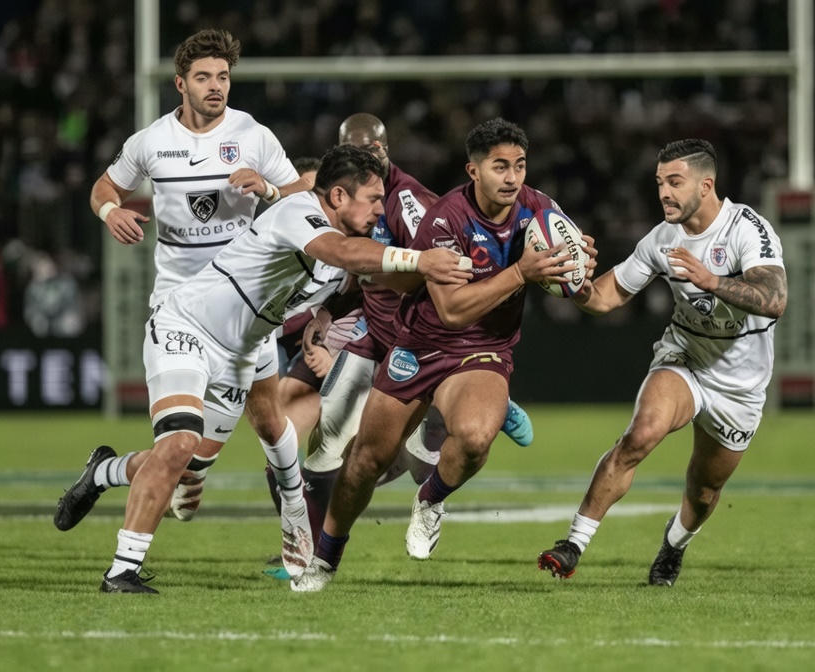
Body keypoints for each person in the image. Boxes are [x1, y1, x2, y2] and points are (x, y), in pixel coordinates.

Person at [92, 144, 471, 593]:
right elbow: (345, 253)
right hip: (189, 327)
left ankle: (291, 517)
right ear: (336, 197)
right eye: (371, 199)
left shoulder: (345, 252)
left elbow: (378, 277)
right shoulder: (300, 213)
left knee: (273, 428)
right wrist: (421, 259)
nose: (379, 208)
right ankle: (122, 570)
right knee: (180, 445)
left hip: (247, 346)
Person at [291, 118, 580, 592]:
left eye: (520, 166)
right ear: (474, 170)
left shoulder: (540, 209)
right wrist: (523, 274)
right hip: (420, 344)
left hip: (484, 350)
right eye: (500, 167)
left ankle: (430, 499)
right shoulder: (444, 217)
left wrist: (577, 266)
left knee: (474, 438)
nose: (512, 178)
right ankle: (325, 559)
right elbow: (449, 310)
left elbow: (572, 271)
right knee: (364, 462)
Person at [54, 29, 311, 530]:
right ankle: (292, 513)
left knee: (264, 419)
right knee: (180, 448)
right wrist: (110, 211)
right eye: (203, 77)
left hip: (246, 306)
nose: (216, 86)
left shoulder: (253, 135)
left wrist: (268, 190)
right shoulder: (152, 141)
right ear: (180, 84)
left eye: (222, 76)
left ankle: (292, 509)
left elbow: (304, 194)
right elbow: (104, 186)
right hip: (180, 309)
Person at [536, 138, 786, 587]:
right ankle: (573, 544)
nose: (664, 193)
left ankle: (674, 545)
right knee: (641, 434)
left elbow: (775, 299)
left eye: (675, 182)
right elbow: (608, 295)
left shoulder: (747, 228)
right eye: (659, 183)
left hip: (740, 386)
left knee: (705, 489)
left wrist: (711, 280)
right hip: (685, 357)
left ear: (706, 185)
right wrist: (569, 280)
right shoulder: (662, 239)